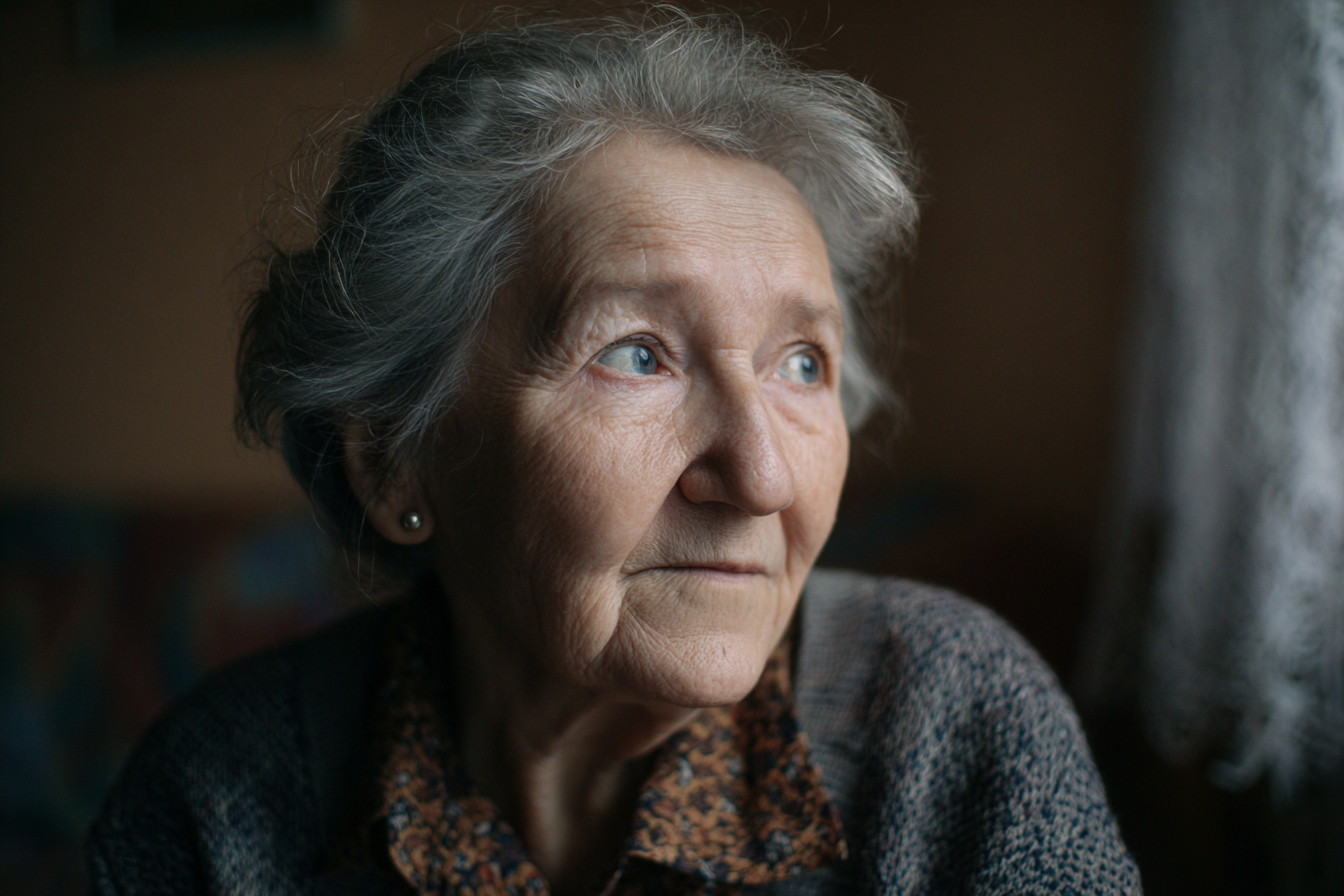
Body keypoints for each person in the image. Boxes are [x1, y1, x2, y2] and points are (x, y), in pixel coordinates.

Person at [87, 9, 1141, 895]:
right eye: (638, 353)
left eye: (803, 364)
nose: (763, 477)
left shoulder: (947, 716)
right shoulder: (220, 793)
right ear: (393, 460)